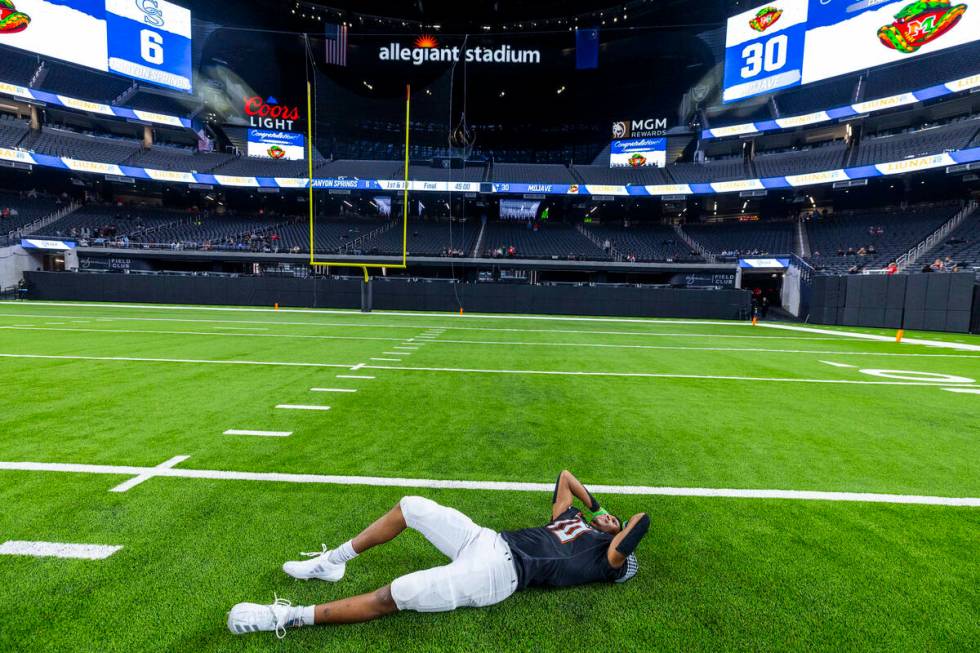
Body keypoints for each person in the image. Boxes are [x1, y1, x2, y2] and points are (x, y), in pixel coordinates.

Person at [228, 470, 649, 638]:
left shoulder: (603, 558)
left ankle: (284, 616)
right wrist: (596, 510)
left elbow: (641, 521)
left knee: (396, 593)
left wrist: (611, 524)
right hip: (486, 540)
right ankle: (332, 563)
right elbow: (566, 477)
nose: (614, 521)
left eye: (616, 526)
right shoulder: (570, 519)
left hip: (500, 577)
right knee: (412, 505)